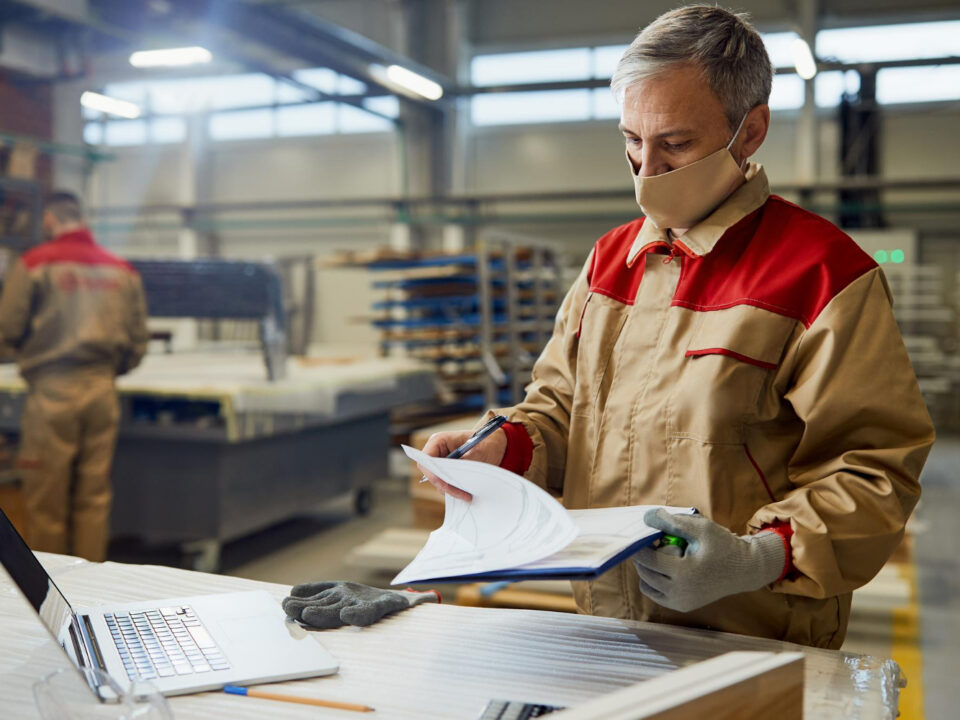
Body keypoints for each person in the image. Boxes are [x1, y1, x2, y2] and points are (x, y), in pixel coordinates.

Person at [420, 5, 934, 649]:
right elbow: (559, 408)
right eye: (632, 141)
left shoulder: (822, 273)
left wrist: (758, 558)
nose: (646, 169)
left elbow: (874, 468)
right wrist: (503, 449)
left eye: (676, 144)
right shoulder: (611, 261)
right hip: (608, 622)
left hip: (757, 633)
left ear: (750, 133)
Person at [0, 191, 148, 562]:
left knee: (47, 499)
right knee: (94, 497)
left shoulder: (35, 264)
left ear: (49, 219)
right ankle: (90, 588)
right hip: (102, 390)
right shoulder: (122, 270)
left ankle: (52, 596)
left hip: (52, 392)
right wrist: (109, 369)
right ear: (82, 218)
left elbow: (7, 328)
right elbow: (137, 341)